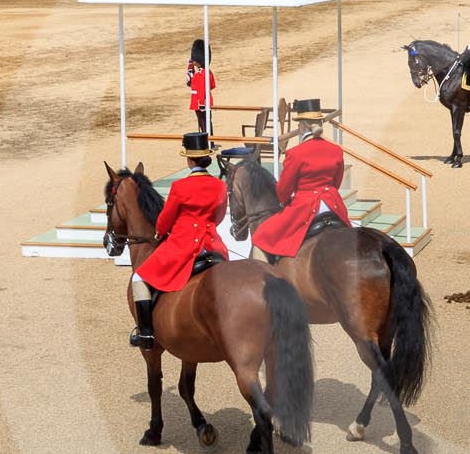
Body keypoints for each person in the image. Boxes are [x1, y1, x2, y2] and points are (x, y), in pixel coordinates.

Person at [128, 132, 229, 349]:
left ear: (189, 160)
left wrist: (159, 231)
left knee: (139, 278)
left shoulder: (180, 187)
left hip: (182, 245)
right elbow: (219, 215)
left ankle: (146, 335)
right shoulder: (220, 186)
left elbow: (165, 219)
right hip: (213, 244)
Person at [251, 100, 350, 261]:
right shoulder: (336, 150)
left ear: (303, 126)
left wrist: (284, 202)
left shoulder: (295, 153)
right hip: (333, 203)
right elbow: (336, 182)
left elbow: (283, 190)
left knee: (262, 236)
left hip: (305, 205)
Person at [186, 38, 215, 138]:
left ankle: (208, 141)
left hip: (201, 101)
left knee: (204, 123)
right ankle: (208, 140)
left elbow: (203, 88)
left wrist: (202, 102)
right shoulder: (202, 72)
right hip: (199, 100)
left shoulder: (202, 73)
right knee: (203, 123)